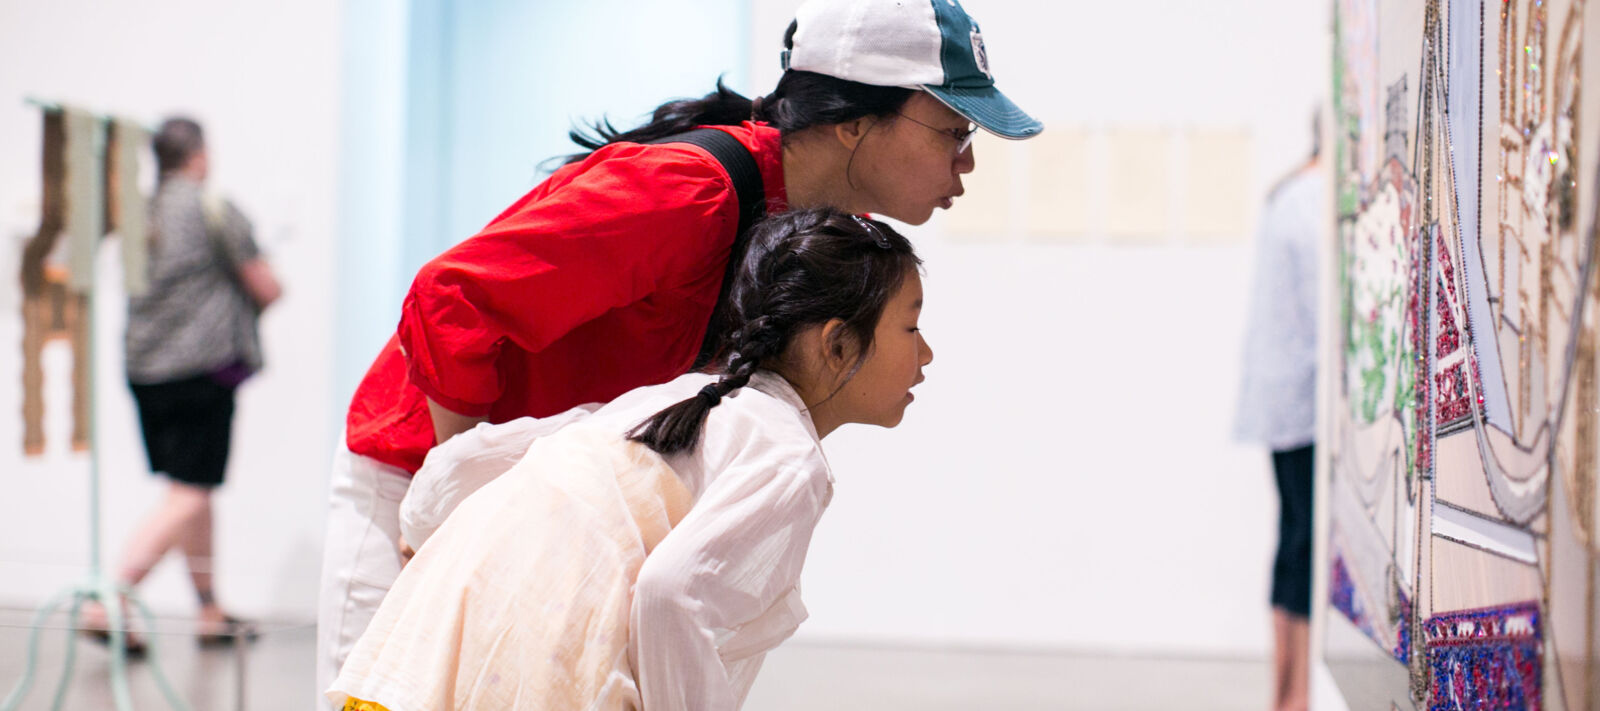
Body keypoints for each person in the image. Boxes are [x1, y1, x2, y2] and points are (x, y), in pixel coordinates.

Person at [316, 0, 1041, 698]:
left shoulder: (812, 234)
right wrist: (454, 496)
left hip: (524, 494)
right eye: (955, 132)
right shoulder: (686, 192)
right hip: (419, 472)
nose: (966, 166)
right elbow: (451, 298)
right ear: (855, 123)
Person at [328, 208, 929, 711]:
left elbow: (463, 461)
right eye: (910, 327)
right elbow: (673, 598)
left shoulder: (672, 398)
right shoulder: (787, 458)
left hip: (411, 662)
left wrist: (425, 530)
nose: (926, 354)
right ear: (838, 343)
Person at [81, 116, 283, 652]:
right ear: (198, 156)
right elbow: (266, 286)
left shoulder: (139, 212)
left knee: (192, 489)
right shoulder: (213, 206)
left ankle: (209, 611)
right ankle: (109, 598)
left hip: (144, 370)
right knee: (190, 492)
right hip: (201, 370)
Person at [1233, 120, 1323, 711]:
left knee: (1294, 542)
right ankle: (1293, 696)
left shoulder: (1290, 193)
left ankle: (1287, 694)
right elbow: (1325, 309)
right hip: (1304, 405)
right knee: (1302, 547)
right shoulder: (1311, 202)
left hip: (1288, 401)